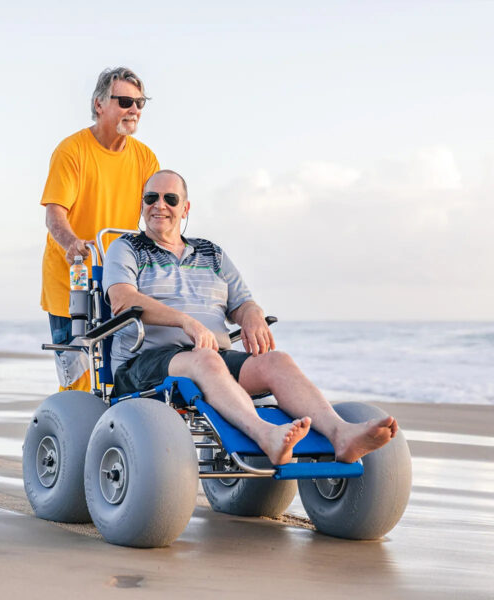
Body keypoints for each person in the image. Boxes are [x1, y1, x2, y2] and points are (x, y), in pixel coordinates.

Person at [102, 170, 398, 466]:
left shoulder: (212, 254)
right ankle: (265, 434)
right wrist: (185, 322)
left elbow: (243, 302)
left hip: (210, 358)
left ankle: (340, 433)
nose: (159, 205)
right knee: (206, 359)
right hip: (144, 362)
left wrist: (253, 316)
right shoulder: (127, 248)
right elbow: (122, 298)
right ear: (142, 204)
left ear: (185, 208)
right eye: (151, 198)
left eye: (170, 198)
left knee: (276, 361)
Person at [40, 67, 159, 392]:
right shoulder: (72, 151)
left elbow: (155, 216)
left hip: (118, 280)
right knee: (79, 380)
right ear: (99, 105)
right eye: (124, 101)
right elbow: (54, 214)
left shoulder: (145, 158)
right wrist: (72, 242)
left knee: (121, 373)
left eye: (140, 103)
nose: (133, 109)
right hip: (73, 280)